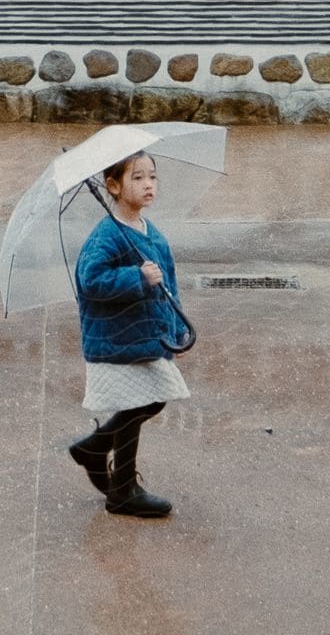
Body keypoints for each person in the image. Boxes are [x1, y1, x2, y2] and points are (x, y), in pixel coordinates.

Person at [68, 152, 190, 518]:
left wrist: (177, 327)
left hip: (146, 335)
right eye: (137, 178)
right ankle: (95, 448)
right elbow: (90, 281)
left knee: (140, 403)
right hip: (118, 336)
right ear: (113, 186)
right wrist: (136, 278)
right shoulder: (107, 235)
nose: (148, 184)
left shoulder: (152, 234)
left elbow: (167, 283)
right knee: (150, 400)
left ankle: (121, 488)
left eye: (152, 177)